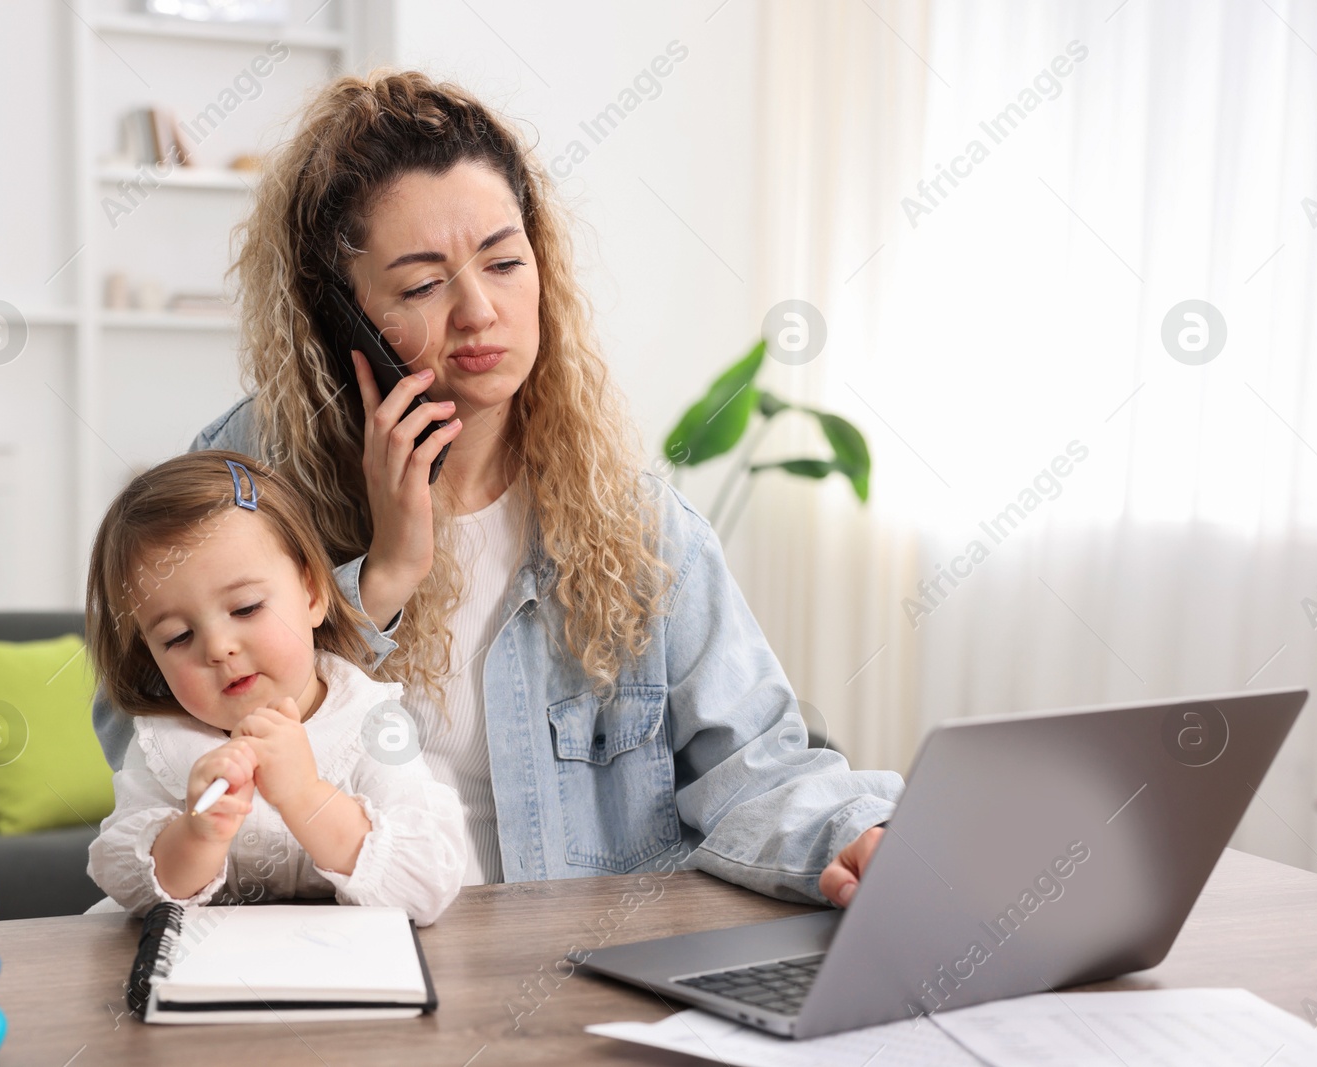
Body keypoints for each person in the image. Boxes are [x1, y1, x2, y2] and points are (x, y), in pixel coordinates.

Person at [93, 69, 901, 908]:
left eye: (505, 262)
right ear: (341, 317)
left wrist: (854, 836)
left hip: (563, 973)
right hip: (325, 968)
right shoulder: (245, 480)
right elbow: (142, 732)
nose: (479, 309)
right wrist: (373, 588)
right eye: (420, 285)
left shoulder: (635, 522)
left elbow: (755, 765)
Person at [83, 450, 464, 924]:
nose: (218, 648)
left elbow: (427, 884)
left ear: (311, 594)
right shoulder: (166, 742)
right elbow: (131, 890)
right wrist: (196, 835)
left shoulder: (370, 721)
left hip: (349, 970)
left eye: (245, 609)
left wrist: (306, 794)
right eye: (178, 637)